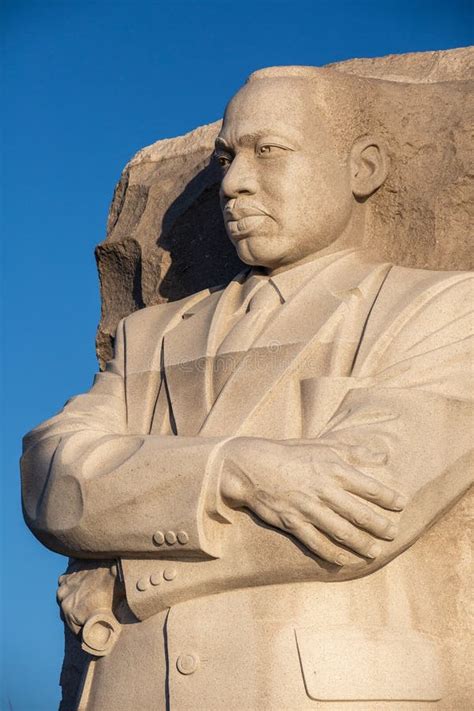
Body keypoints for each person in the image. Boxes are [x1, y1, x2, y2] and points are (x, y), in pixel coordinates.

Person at [21, 67, 473, 710]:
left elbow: (366, 516)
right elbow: (53, 478)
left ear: (362, 169)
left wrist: (124, 576)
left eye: (270, 151)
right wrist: (235, 468)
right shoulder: (147, 337)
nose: (233, 183)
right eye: (227, 156)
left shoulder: (443, 308)